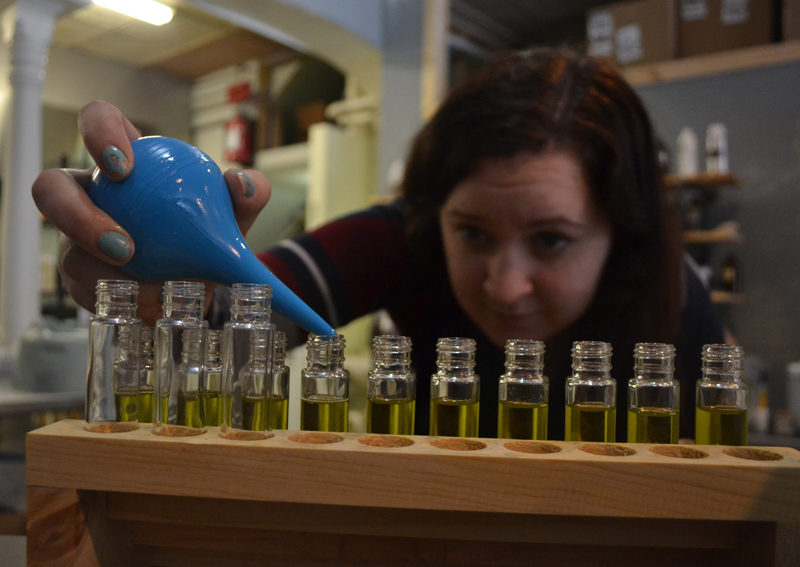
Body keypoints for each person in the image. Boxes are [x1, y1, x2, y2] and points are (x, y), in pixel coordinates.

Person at [32, 47, 724, 441]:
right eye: (472, 232)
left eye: (551, 240)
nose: (505, 283)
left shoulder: (672, 296)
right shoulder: (403, 238)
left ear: (622, 231)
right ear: (433, 211)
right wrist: (155, 289)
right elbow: (234, 313)